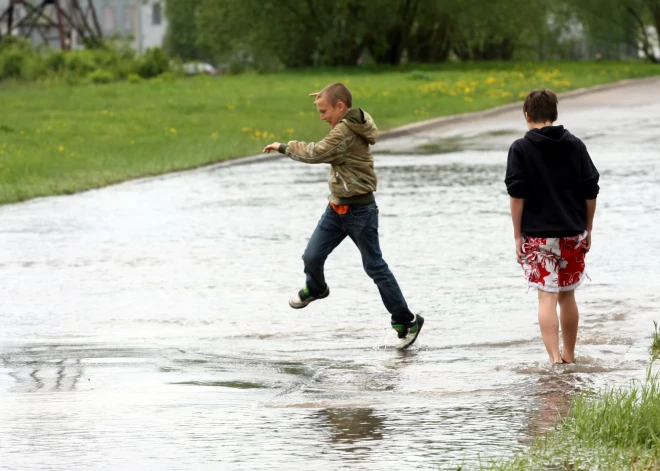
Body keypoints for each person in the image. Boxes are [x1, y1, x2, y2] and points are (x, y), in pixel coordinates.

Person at [262, 82, 423, 349]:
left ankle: (406, 321)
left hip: (361, 211)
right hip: (336, 209)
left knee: (375, 268)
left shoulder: (344, 133)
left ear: (341, 107)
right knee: (311, 256)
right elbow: (339, 97)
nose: (322, 117)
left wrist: (283, 146)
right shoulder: (350, 119)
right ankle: (316, 288)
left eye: (325, 111)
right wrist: (326, 96)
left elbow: (316, 153)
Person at [505, 89, 599, 364]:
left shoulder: (520, 149)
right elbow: (590, 192)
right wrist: (588, 229)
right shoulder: (576, 145)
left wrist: (517, 237)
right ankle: (569, 356)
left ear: (527, 116)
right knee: (567, 297)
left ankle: (554, 359)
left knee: (546, 297)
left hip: (537, 237)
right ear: (556, 115)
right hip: (571, 234)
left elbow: (516, 196)